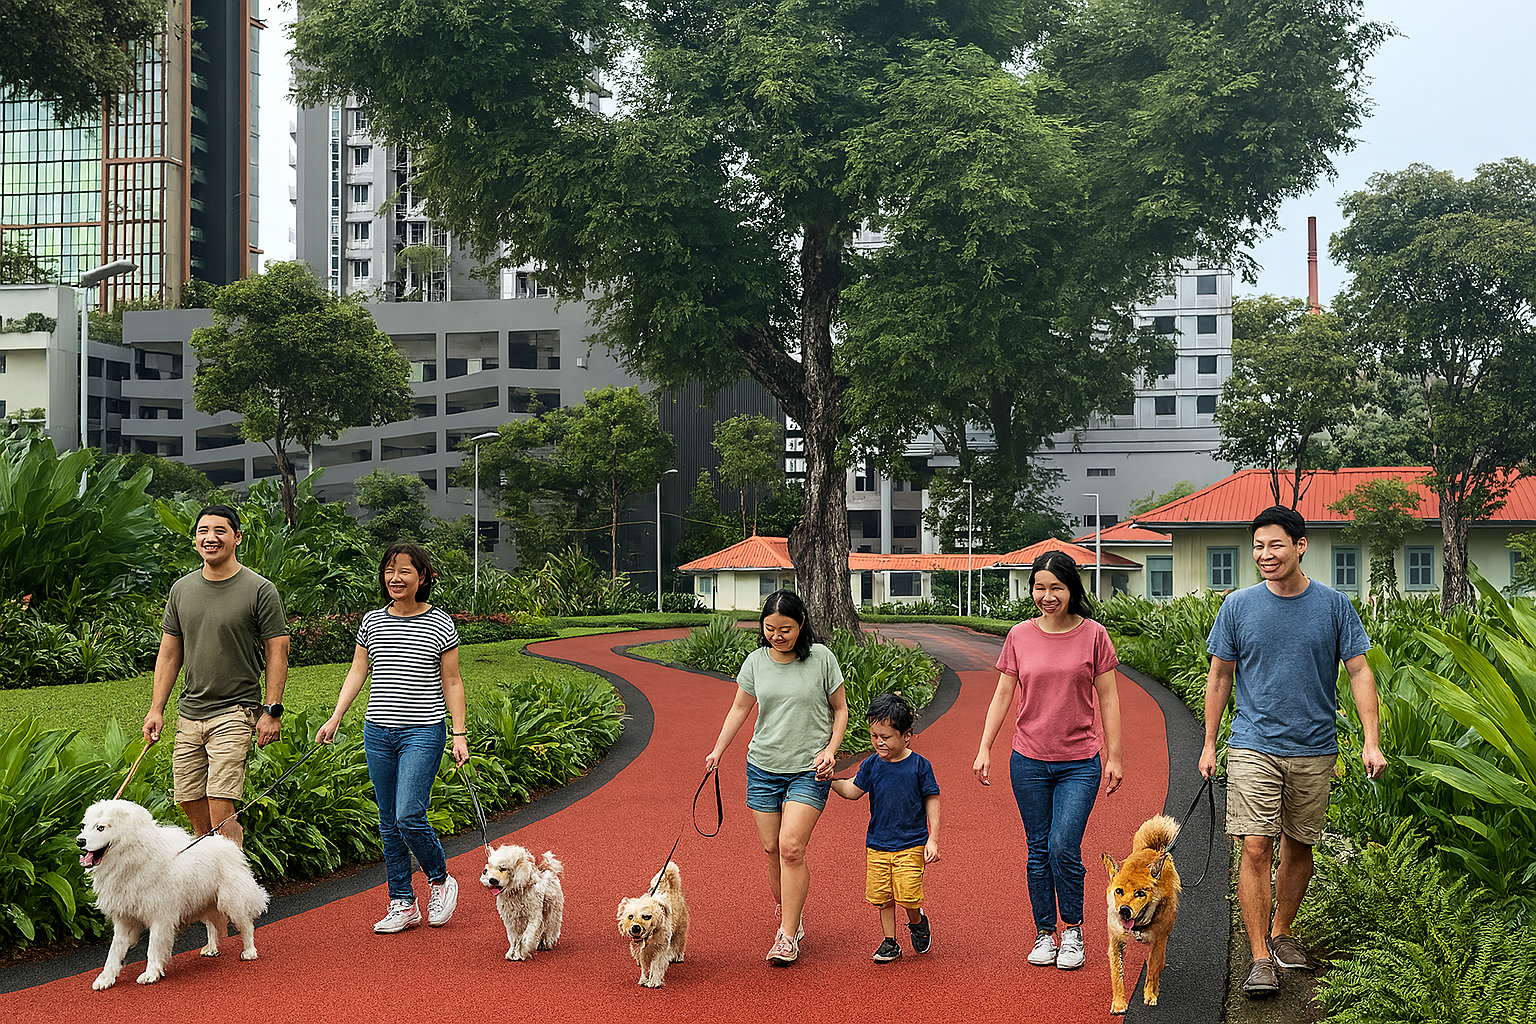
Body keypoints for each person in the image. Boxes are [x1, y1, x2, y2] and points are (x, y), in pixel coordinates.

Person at [1201, 506, 1383, 997]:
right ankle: (1260, 957)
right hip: (1253, 743)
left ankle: (1281, 932)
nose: (1265, 554)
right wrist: (1209, 743)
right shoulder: (1237, 606)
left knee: (1298, 846)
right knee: (1256, 846)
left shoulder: (1334, 606)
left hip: (1314, 747)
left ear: (1301, 546)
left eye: (1275, 545)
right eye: (1258, 546)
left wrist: (1371, 740)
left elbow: (1359, 671)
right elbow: (1219, 676)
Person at [973, 549, 1123, 971]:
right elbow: (1003, 694)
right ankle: (1045, 932)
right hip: (1028, 760)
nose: (1047, 596)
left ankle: (1073, 930)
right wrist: (985, 747)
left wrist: (1115, 756)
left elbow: (1109, 699)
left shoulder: (1094, 635)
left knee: (1063, 845)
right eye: (1039, 587)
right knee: (1037, 848)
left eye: (1056, 587)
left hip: (1080, 761)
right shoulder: (1019, 635)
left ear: (1072, 589)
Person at [317, 542, 470, 933]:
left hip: (423, 730)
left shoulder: (440, 622)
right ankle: (402, 901)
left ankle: (440, 879)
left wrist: (459, 733)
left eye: (404, 571)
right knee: (388, 821)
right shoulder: (371, 621)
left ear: (423, 577)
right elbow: (358, 671)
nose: (395, 578)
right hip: (378, 733)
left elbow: (452, 681)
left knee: (408, 814)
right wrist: (336, 716)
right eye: (389, 570)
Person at [705, 589, 849, 966]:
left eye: (785, 629)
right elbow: (739, 709)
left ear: (801, 624)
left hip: (808, 769)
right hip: (763, 767)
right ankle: (791, 916)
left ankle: (786, 936)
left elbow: (840, 709)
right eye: (770, 629)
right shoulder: (756, 662)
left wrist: (831, 750)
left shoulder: (822, 659)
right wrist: (718, 750)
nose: (777, 636)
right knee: (771, 849)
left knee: (791, 848)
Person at [143, 504, 289, 848]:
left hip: (235, 710)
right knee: (189, 800)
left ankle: (232, 881)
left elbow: (277, 650)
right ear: (196, 539)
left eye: (220, 531)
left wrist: (272, 710)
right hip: (190, 712)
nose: (210, 538)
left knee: (221, 802)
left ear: (237, 538)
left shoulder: (259, 589)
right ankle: (211, 872)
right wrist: (156, 709)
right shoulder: (182, 589)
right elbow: (169, 654)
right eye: (203, 531)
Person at [830, 691, 941, 964]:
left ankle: (917, 921)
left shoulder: (919, 765)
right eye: (874, 736)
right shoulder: (872, 765)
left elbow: (932, 799)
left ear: (906, 735)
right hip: (878, 842)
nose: (879, 742)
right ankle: (890, 941)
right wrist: (830, 781)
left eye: (886, 737)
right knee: (882, 896)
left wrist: (933, 838)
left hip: (911, 842)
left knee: (908, 894)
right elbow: (853, 790)